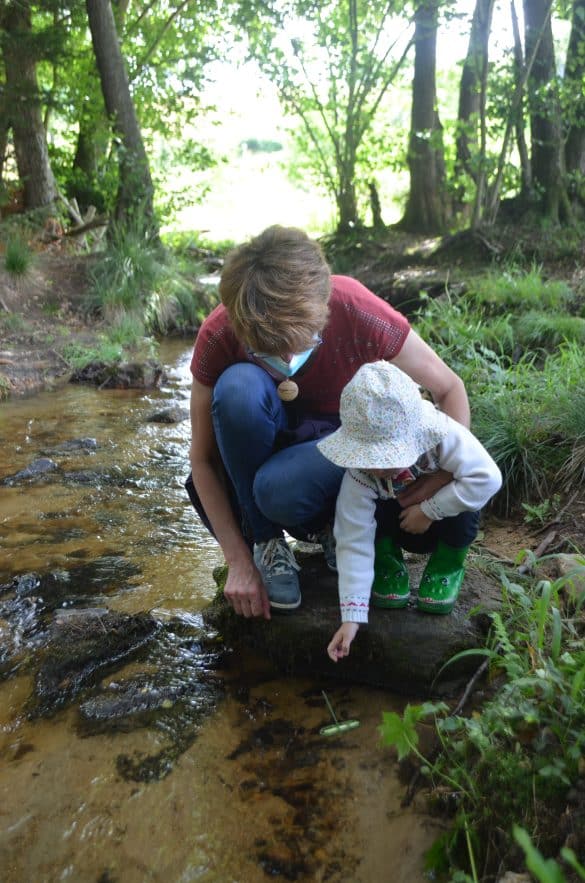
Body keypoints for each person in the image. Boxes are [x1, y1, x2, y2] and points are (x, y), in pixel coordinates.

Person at [187, 225, 470, 620]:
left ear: (324, 308)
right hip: (267, 451)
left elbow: (449, 388)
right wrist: (236, 558)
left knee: (277, 489)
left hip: (343, 451)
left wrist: (439, 479)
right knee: (237, 390)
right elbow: (201, 460)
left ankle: (337, 531)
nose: (286, 364)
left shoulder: (354, 306)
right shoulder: (220, 333)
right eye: (270, 353)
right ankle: (267, 543)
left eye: (301, 345)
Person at [317, 361, 502, 663]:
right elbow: (353, 538)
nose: (377, 468)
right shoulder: (361, 476)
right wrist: (352, 616)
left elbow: (487, 478)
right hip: (397, 525)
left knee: (467, 503)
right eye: (368, 457)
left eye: (385, 456)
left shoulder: (445, 437)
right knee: (372, 514)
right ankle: (388, 563)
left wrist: (430, 510)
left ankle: (446, 567)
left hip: (441, 523)